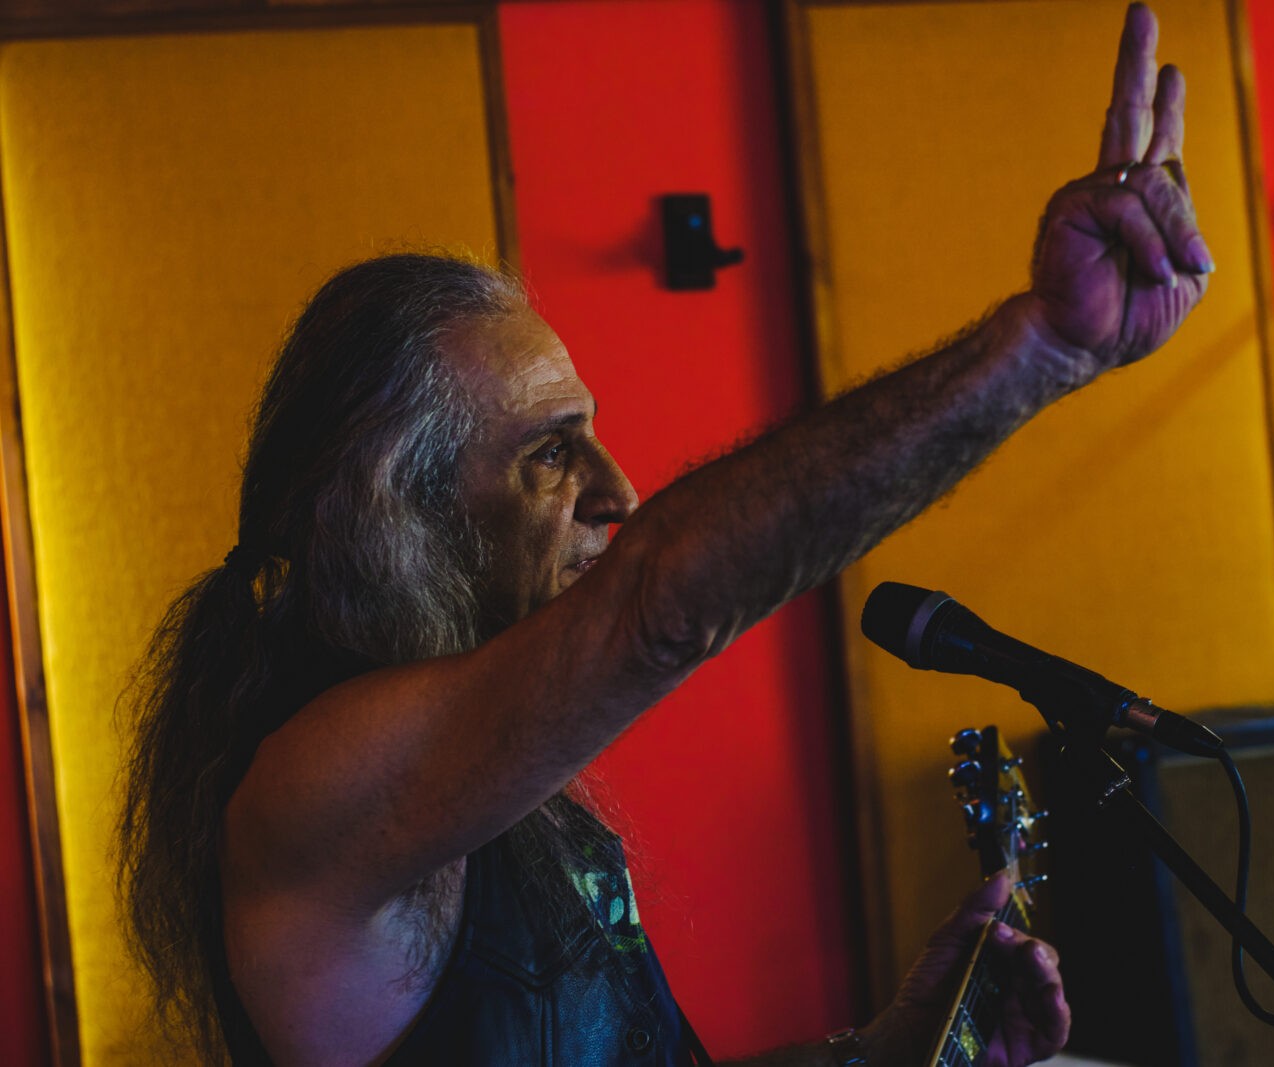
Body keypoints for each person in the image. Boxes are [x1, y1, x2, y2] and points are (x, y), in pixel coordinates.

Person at [116, 4, 1210, 1064]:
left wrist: (882, 1045)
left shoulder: (488, 785)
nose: (618, 490)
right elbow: (658, 604)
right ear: (395, 512)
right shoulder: (315, 786)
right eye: (550, 453)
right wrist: (1041, 348)